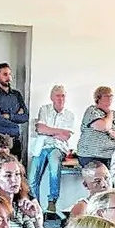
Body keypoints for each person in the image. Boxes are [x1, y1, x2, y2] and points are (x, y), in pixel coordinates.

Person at [29, 85, 77, 213]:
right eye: (58, 95)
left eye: (63, 95)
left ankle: (52, 201)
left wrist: (48, 131)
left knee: (54, 165)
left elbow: (66, 136)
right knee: (32, 176)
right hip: (42, 146)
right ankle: (35, 206)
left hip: (58, 147)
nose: (60, 98)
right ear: (51, 97)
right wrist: (58, 132)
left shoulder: (69, 114)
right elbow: (40, 129)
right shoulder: (44, 109)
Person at [0, 63, 31, 162]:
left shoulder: (17, 95)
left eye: (9, 74)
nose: (8, 77)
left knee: (16, 171)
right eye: (5, 74)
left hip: (15, 139)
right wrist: (16, 120)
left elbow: (25, 117)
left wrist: (9, 116)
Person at [77, 86, 115, 170]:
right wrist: (109, 113)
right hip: (92, 155)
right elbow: (104, 126)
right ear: (98, 98)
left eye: (111, 96)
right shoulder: (92, 110)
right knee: (100, 176)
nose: (110, 98)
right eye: (106, 95)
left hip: (112, 155)